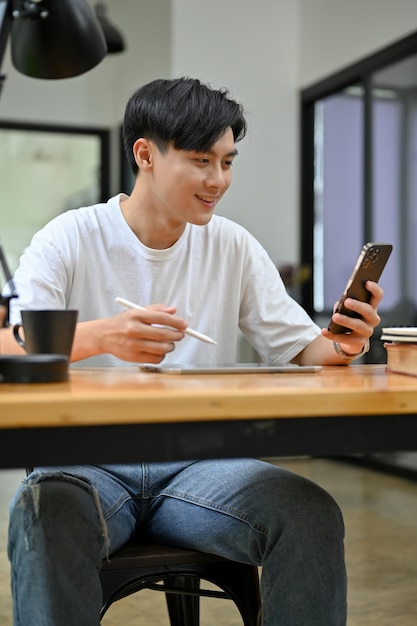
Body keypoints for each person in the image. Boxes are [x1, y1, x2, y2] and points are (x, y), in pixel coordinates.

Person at [1, 77, 383, 626]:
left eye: (228, 162)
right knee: (43, 513)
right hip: (88, 462)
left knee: (309, 513)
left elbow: (301, 350)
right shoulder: (70, 237)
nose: (218, 180)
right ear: (145, 155)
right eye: (202, 160)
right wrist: (105, 336)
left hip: (200, 466)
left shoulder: (230, 244)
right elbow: (9, 345)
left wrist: (344, 343)